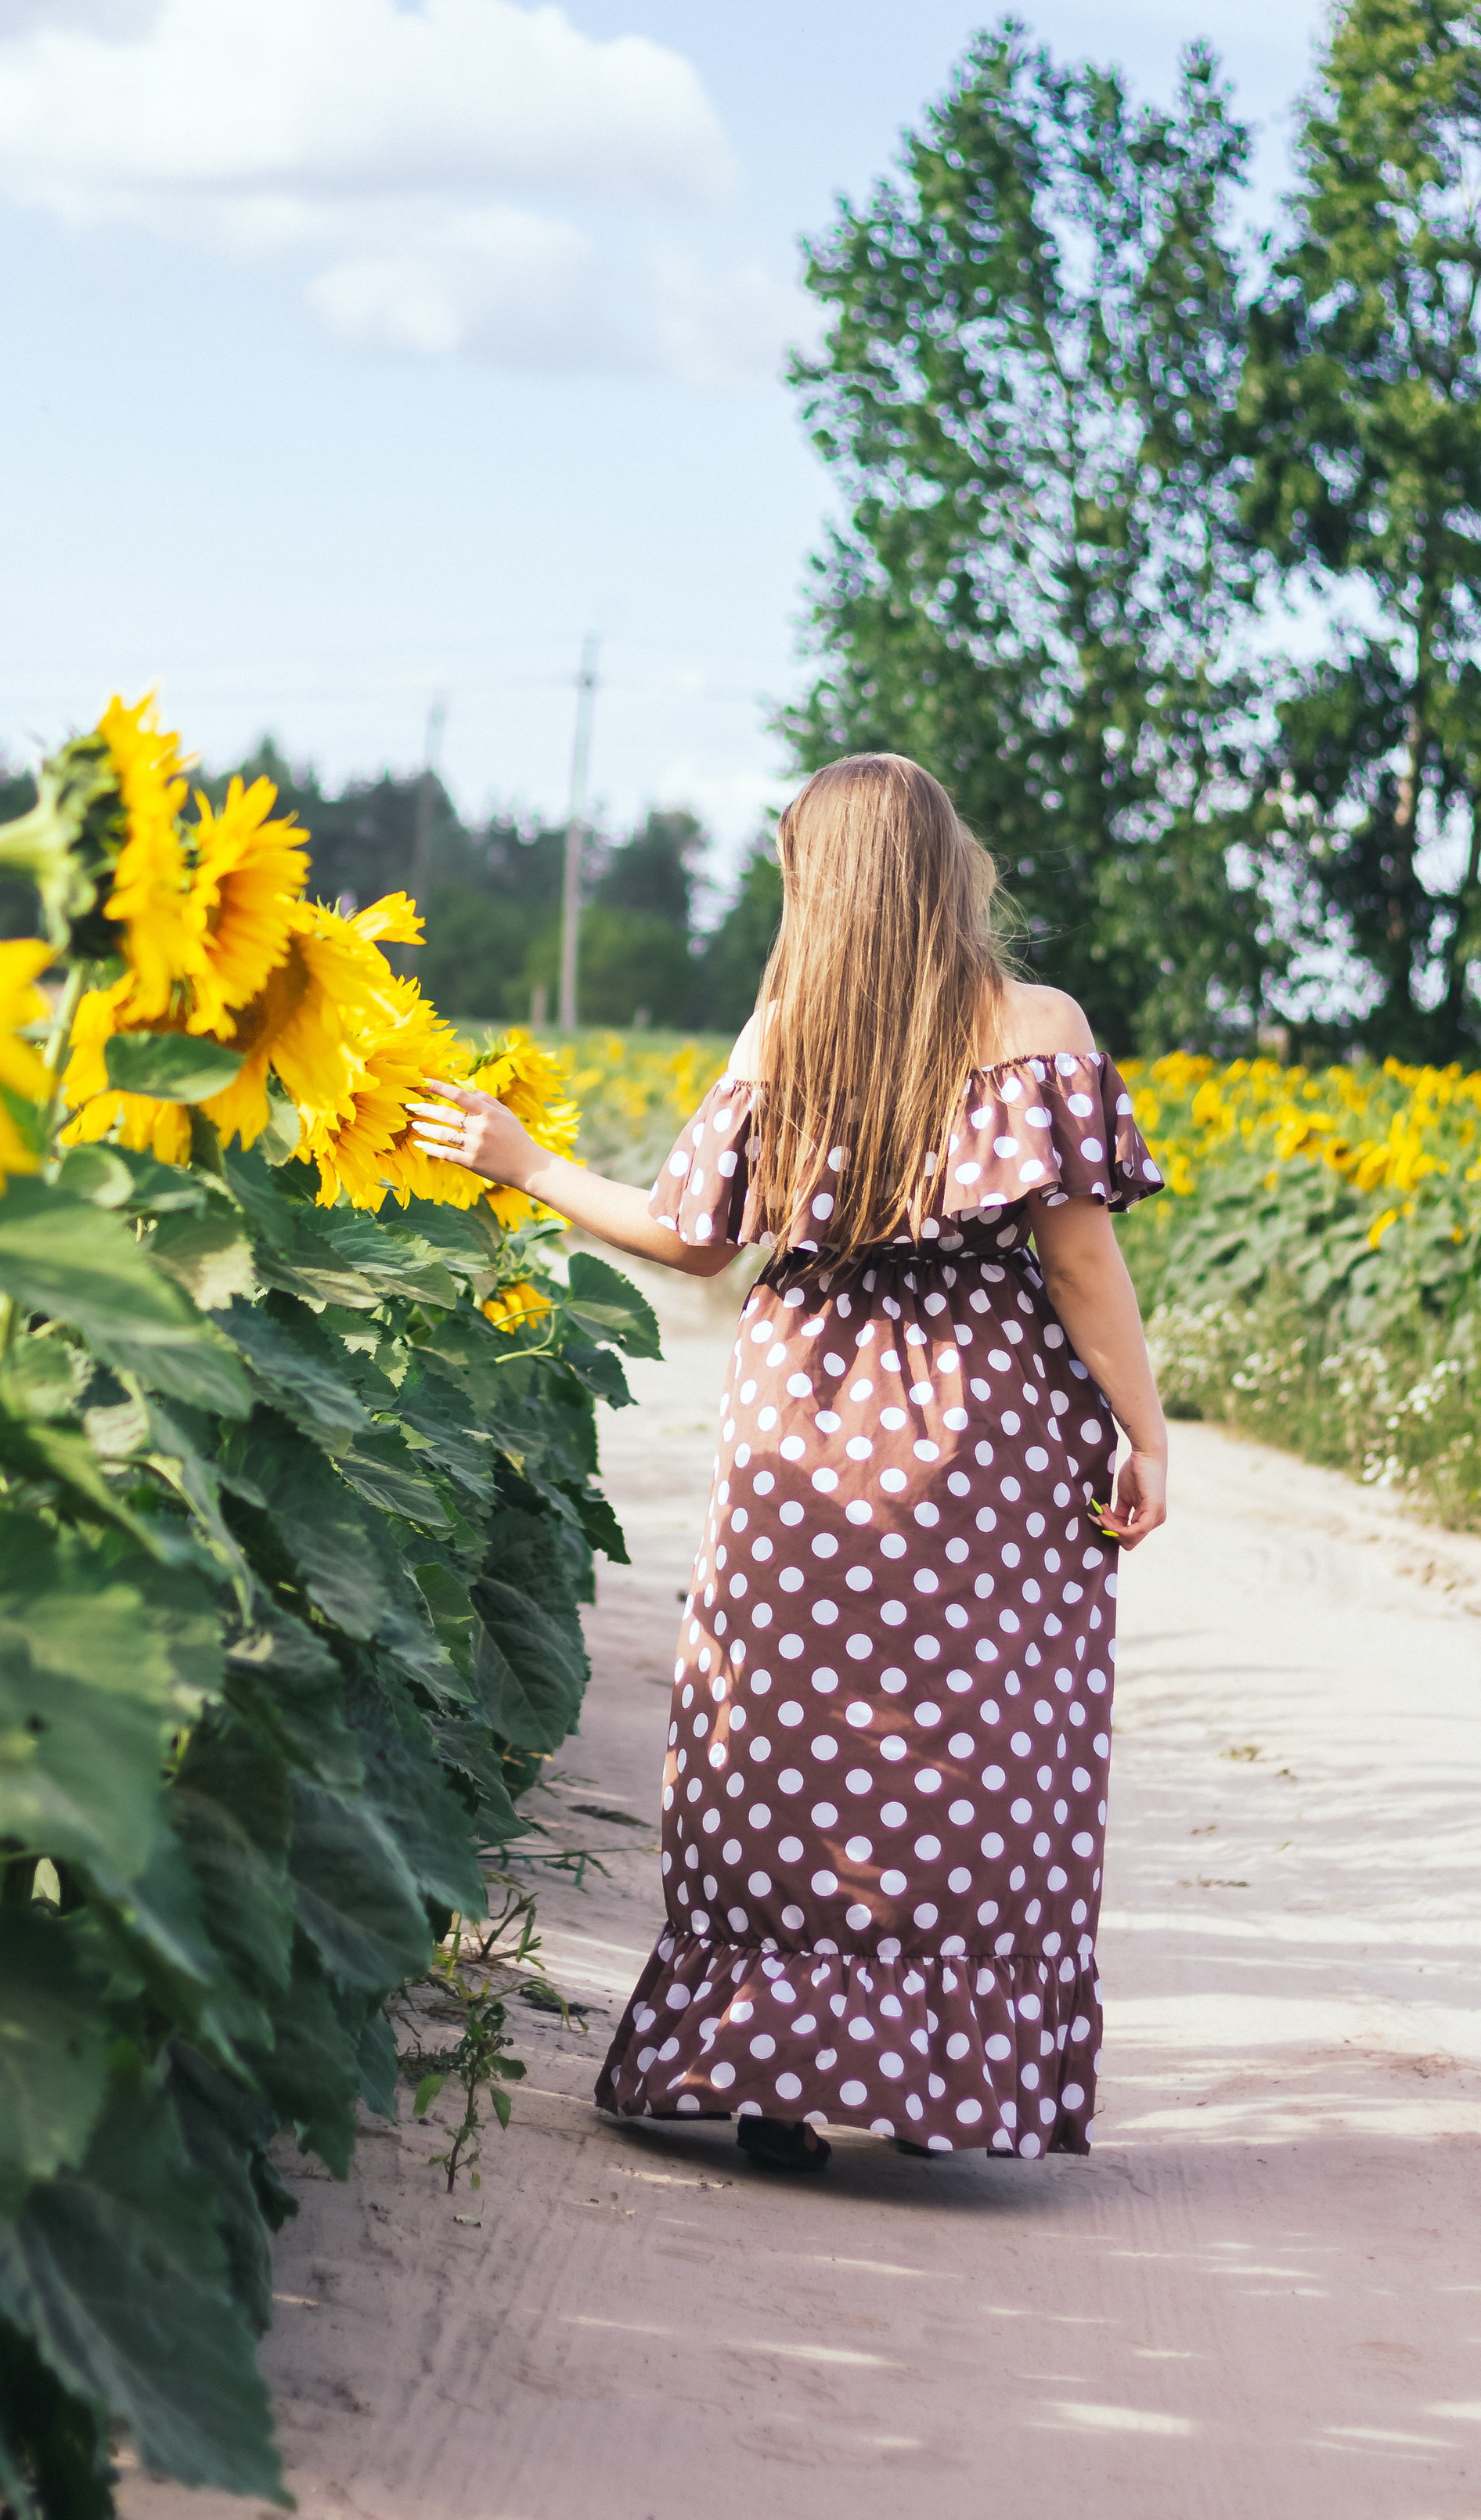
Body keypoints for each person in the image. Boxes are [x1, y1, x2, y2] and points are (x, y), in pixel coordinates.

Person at [409, 752, 1167, 2170]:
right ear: (944, 866)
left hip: (803, 1416)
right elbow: (1078, 1265)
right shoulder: (1038, 1024)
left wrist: (525, 1164)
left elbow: (692, 1240)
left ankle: (768, 2070)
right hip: (988, 1431)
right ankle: (944, 2080)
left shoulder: (785, 1034)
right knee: (984, 1735)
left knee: (781, 1724)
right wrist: (1144, 1425)